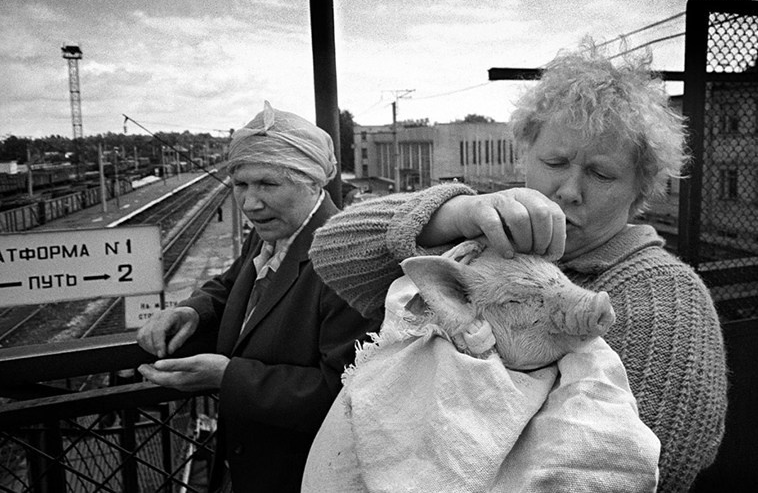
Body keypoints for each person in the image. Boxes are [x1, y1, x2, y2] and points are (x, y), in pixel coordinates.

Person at [308, 40, 728, 493]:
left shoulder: (664, 296)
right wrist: (454, 213)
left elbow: (638, 467)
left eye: (602, 174)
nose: (569, 190)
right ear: (524, 156)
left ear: (641, 190)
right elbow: (332, 248)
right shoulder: (478, 246)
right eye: (554, 162)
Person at [137, 101, 379, 493]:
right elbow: (234, 283)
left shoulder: (348, 258)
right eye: (240, 185)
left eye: (268, 184)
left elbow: (344, 395)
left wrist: (227, 377)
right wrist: (191, 311)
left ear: (314, 182)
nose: (250, 203)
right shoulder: (273, 229)